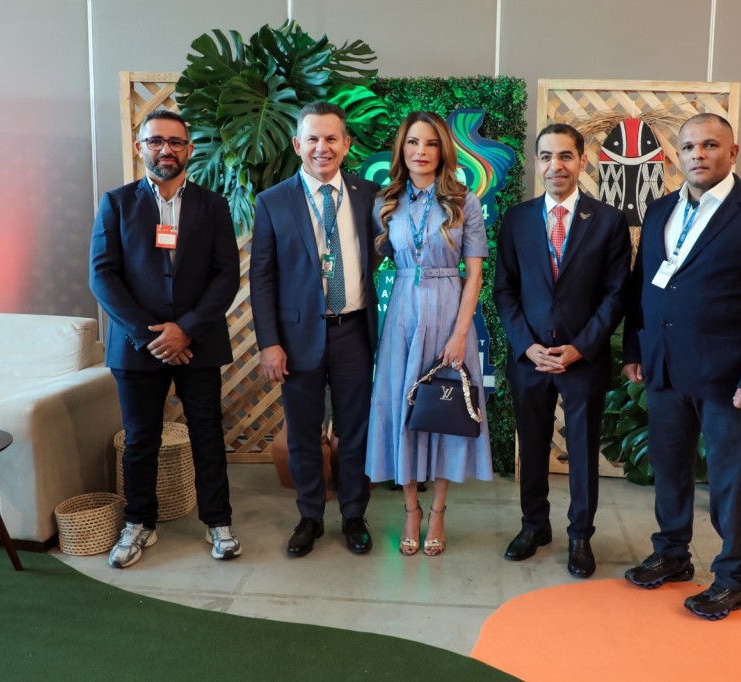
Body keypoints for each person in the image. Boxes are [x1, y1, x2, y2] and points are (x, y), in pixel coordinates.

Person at [622, 113, 741, 620]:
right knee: (669, 467)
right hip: (664, 367)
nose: (697, 155)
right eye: (688, 147)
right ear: (677, 155)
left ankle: (732, 578)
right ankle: (672, 553)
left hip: (730, 376)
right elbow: (643, 285)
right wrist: (634, 350)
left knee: (731, 481)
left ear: (732, 152)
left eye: (709, 145)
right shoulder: (660, 210)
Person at [90, 110, 241, 568]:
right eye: (156, 141)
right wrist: (148, 334)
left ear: (189, 149)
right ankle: (139, 523)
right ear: (141, 147)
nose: (166, 149)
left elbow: (226, 275)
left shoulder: (212, 205)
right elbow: (102, 275)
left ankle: (218, 522)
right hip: (137, 346)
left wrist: (185, 329)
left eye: (175, 142)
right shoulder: (117, 203)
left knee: (208, 435)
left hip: (198, 343)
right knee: (140, 439)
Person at [494, 123, 630, 579]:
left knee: (583, 451)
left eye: (566, 156)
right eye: (547, 156)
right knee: (532, 447)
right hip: (530, 358)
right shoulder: (517, 219)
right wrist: (526, 346)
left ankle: (580, 535)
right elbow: (504, 290)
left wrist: (582, 347)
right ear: (538, 163)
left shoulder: (608, 221)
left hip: (582, 359)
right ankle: (534, 526)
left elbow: (616, 295)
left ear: (582, 161)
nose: (556, 165)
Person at [249, 102, 380, 558]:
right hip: (297, 337)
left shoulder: (368, 194)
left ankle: (354, 515)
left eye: (331, 138)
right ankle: (310, 517)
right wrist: (269, 343)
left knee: (356, 430)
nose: (321, 147)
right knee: (304, 433)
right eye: (312, 139)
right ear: (297, 144)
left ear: (346, 144)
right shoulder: (273, 201)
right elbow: (261, 278)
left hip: (354, 331)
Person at [366, 112, 493, 557]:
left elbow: (474, 275)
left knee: (445, 409)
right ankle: (410, 510)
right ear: (402, 149)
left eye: (431, 143)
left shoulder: (464, 202)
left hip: (448, 310)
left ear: (443, 151)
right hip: (402, 312)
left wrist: (460, 334)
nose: (421, 151)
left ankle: (438, 510)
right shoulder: (386, 201)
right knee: (402, 407)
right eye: (413, 143)